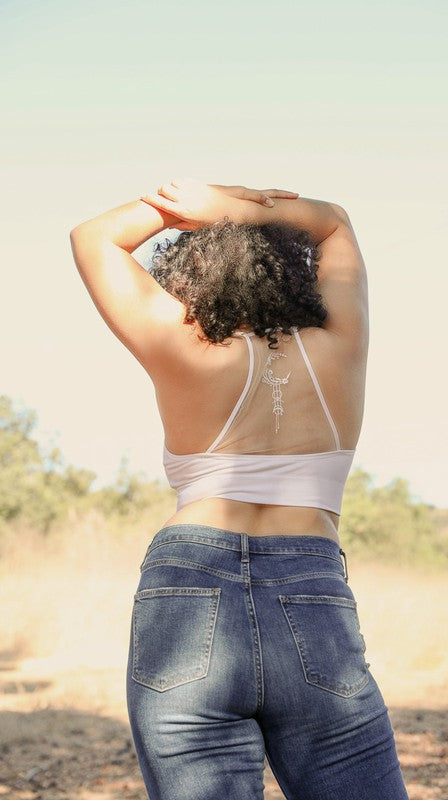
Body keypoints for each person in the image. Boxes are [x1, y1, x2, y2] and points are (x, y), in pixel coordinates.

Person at [69, 178, 410, 799]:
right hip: (309, 584)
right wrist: (237, 205)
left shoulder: (180, 340)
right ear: (292, 275)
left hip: (187, 582)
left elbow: (93, 237)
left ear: (190, 281)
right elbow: (334, 221)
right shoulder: (342, 345)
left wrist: (192, 202)